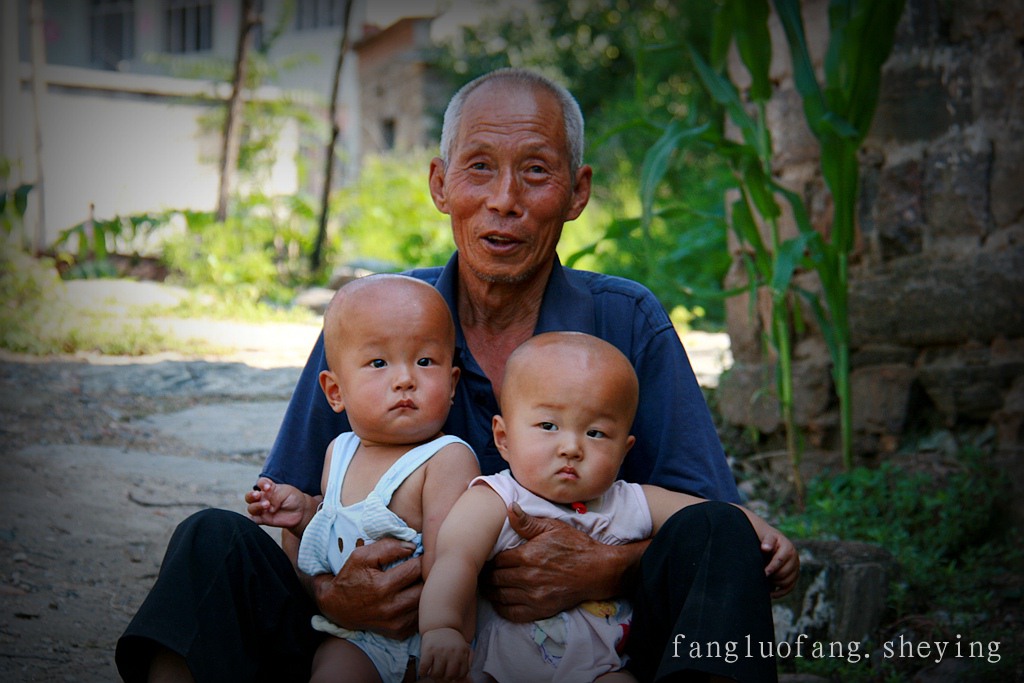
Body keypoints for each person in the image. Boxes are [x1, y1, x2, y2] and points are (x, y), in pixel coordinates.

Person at [116, 68, 797, 682]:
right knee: (212, 542)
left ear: (578, 192)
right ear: (441, 185)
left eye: (536, 171)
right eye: (479, 167)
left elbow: (700, 532)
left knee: (721, 539)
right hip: (386, 651)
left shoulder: (626, 323)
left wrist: (604, 564)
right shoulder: (379, 320)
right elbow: (303, 507)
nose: (506, 199)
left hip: (590, 648)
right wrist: (333, 593)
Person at [418, 332, 798, 683]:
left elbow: (714, 518)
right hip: (510, 668)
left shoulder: (626, 500)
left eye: (595, 433)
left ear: (623, 451)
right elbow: (455, 559)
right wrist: (443, 629)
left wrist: (764, 535)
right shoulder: (496, 499)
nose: (571, 447)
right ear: (503, 437)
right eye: (548, 425)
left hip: (603, 669)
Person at [247, 274, 479, 682]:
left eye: (425, 361)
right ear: (335, 391)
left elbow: (454, 559)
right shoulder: (339, 452)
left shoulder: (446, 459)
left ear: (453, 383)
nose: (405, 378)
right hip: (354, 637)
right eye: (379, 363)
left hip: (427, 639)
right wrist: (304, 513)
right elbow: (338, 519)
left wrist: (446, 629)